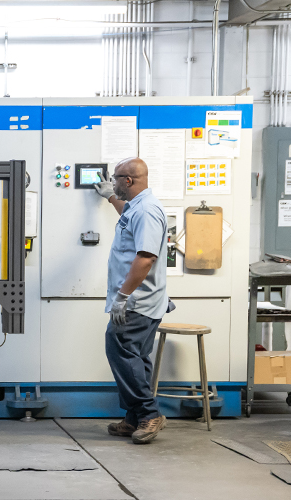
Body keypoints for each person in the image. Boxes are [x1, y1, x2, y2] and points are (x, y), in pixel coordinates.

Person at [93, 157, 170, 445]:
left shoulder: (147, 210)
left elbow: (146, 257)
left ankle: (149, 414)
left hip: (137, 301)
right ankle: (135, 418)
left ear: (128, 180)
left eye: (115, 178)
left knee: (121, 351)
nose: (112, 182)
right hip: (142, 300)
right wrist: (110, 197)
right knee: (136, 357)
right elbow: (127, 216)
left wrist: (122, 297)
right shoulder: (138, 206)